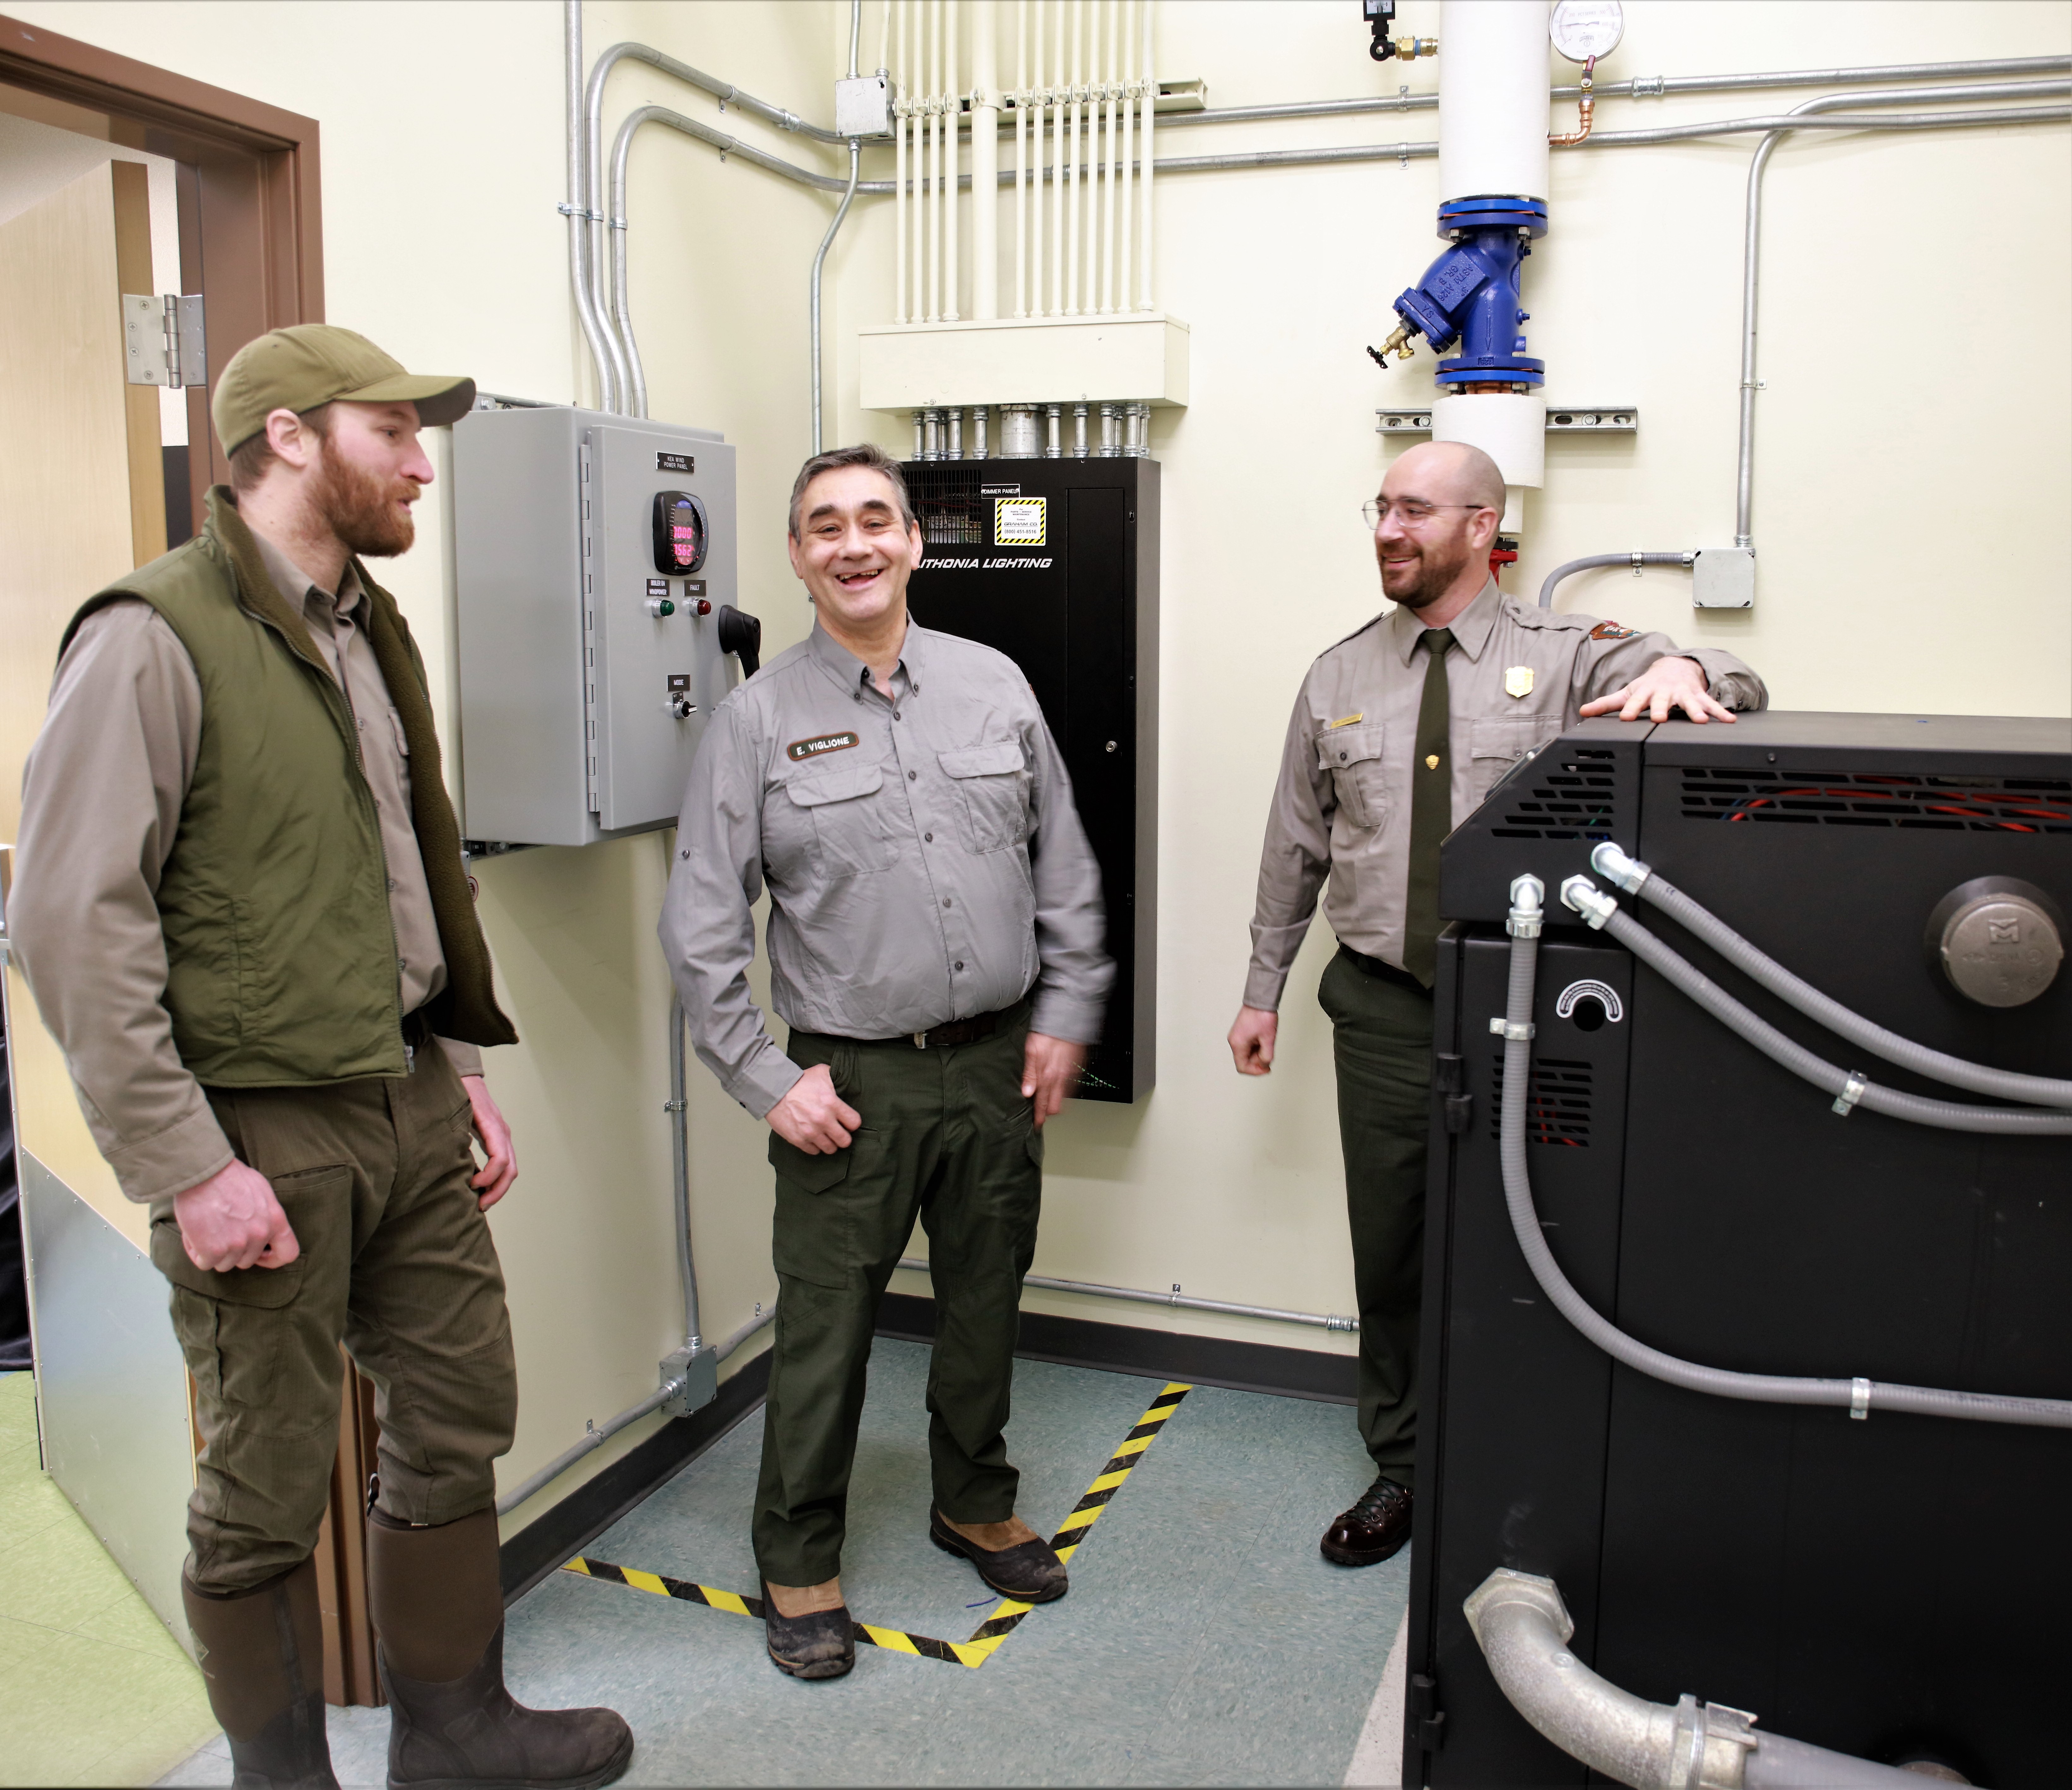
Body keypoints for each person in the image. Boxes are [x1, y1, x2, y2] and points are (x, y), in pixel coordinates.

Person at [9, 326, 632, 1790]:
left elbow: (404, 865)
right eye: (392, 431)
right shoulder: (152, 633)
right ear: (288, 436)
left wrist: (460, 1064)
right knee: (265, 1477)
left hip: (406, 1089)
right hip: (257, 1127)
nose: (424, 462)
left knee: (460, 1409)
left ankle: (455, 1730)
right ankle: (283, 1775)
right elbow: (67, 920)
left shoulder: (368, 624)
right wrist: (186, 1164)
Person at [1227, 440, 1766, 1570]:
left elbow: (1723, 676)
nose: (1389, 530)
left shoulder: (1565, 654)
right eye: (1381, 509)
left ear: (1482, 525)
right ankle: (1404, 1464)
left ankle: (1528, 1464)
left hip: (1530, 1008)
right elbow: (1294, 846)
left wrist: (1690, 672)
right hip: (1381, 1009)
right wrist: (1259, 991)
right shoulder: (1337, 676)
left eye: (1415, 512)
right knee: (1393, 1250)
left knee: (1542, 1235)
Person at [661, 442, 1111, 1680]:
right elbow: (701, 926)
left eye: (875, 520)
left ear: (913, 541)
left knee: (985, 1297)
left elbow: (1063, 861)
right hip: (849, 1083)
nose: (853, 544)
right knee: (827, 1327)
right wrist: (768, 1079)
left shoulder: (993, 684)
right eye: (826, 526)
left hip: (996, 1062)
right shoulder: (757, 721)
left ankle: (974, 1500)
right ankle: (798, 1554)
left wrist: (1068, 1008)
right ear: (799, 555)